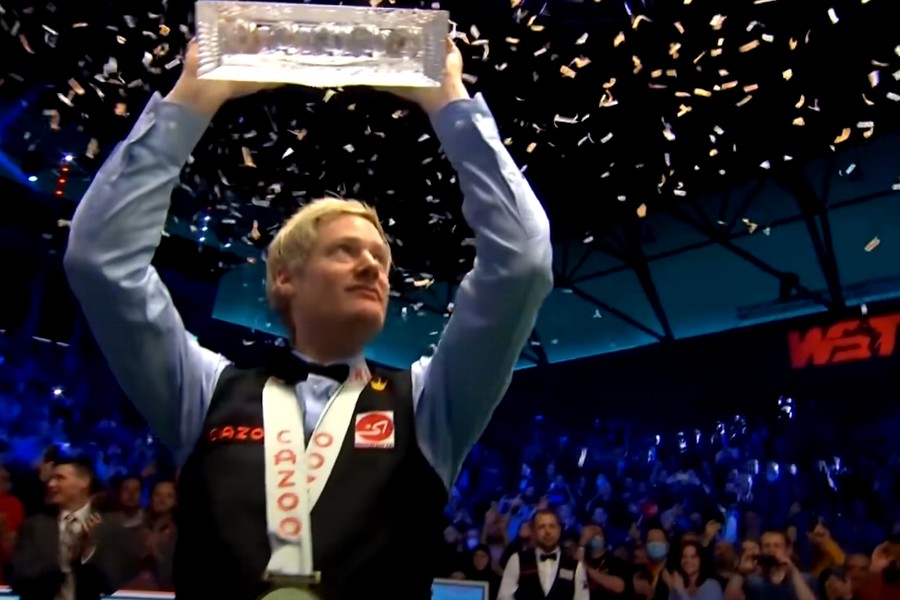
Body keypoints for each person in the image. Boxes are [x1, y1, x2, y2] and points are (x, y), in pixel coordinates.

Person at [64, 35, 553, 600]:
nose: (372, 265)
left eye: (381, 259)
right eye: (345, 250)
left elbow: (522, 265)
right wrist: (193, 97)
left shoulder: (430, 405)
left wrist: (449, 101)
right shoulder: (202, 391)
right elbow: (101, 263)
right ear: (284, 279)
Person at [9, 457, 138, 600]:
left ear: (84, 482)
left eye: (60, 478)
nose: (51, 484)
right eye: (51, 479)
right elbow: (18, 580)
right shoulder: (35, 525)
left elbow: (111, 584)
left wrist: (86, 555)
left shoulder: (108, 527)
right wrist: (65, 561)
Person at [498, 509, 589, 600]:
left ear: (559, 530)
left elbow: (582, 598)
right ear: (533, 531)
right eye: (542, 527)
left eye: (552, 526)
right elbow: (504, 597)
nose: (547, 531)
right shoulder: (517, 560)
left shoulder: (574, 565)